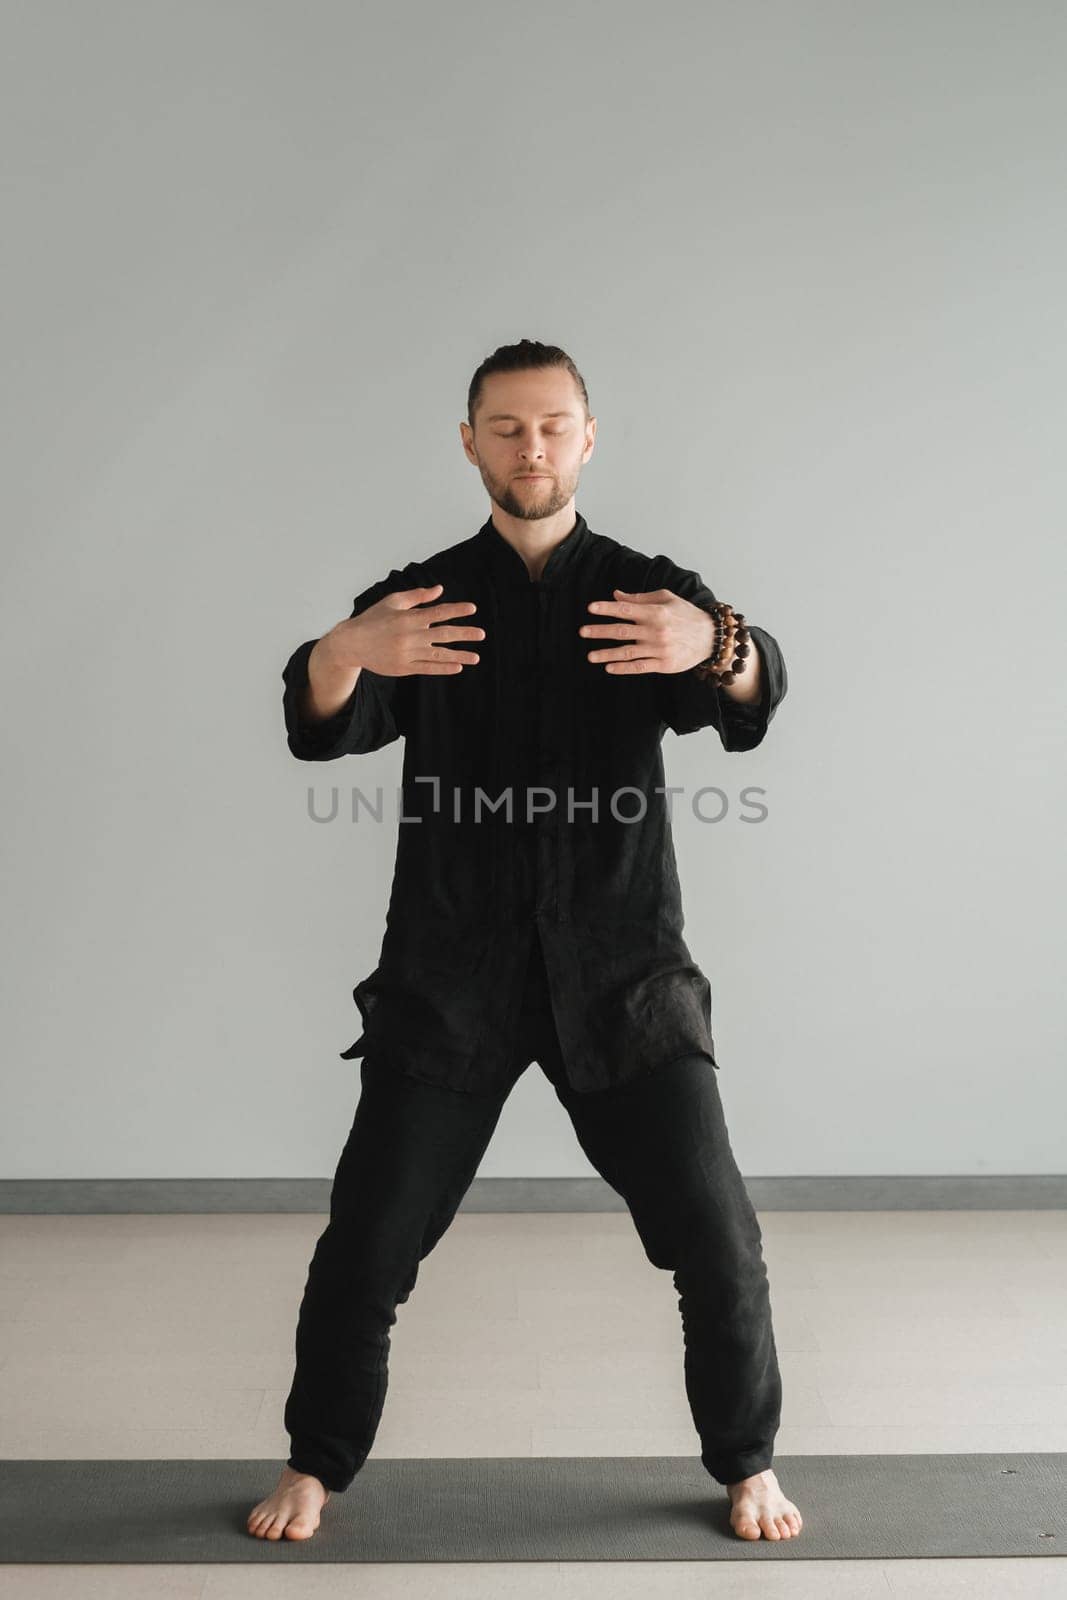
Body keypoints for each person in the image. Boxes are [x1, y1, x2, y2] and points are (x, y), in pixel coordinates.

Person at [248, 339, 801, 1544]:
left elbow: (753, 701)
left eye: (552, 425)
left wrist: (720, 648)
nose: (530, 447)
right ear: (469, 441)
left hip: (623, 976)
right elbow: (317, 726)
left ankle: (746, 1462)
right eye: (505, 427)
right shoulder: (421, 599)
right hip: (448, 979)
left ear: (587, 437)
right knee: (367, 1247)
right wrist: (341, 653)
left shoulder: (650, 593)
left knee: (718, 1242)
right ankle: (316, 1460)